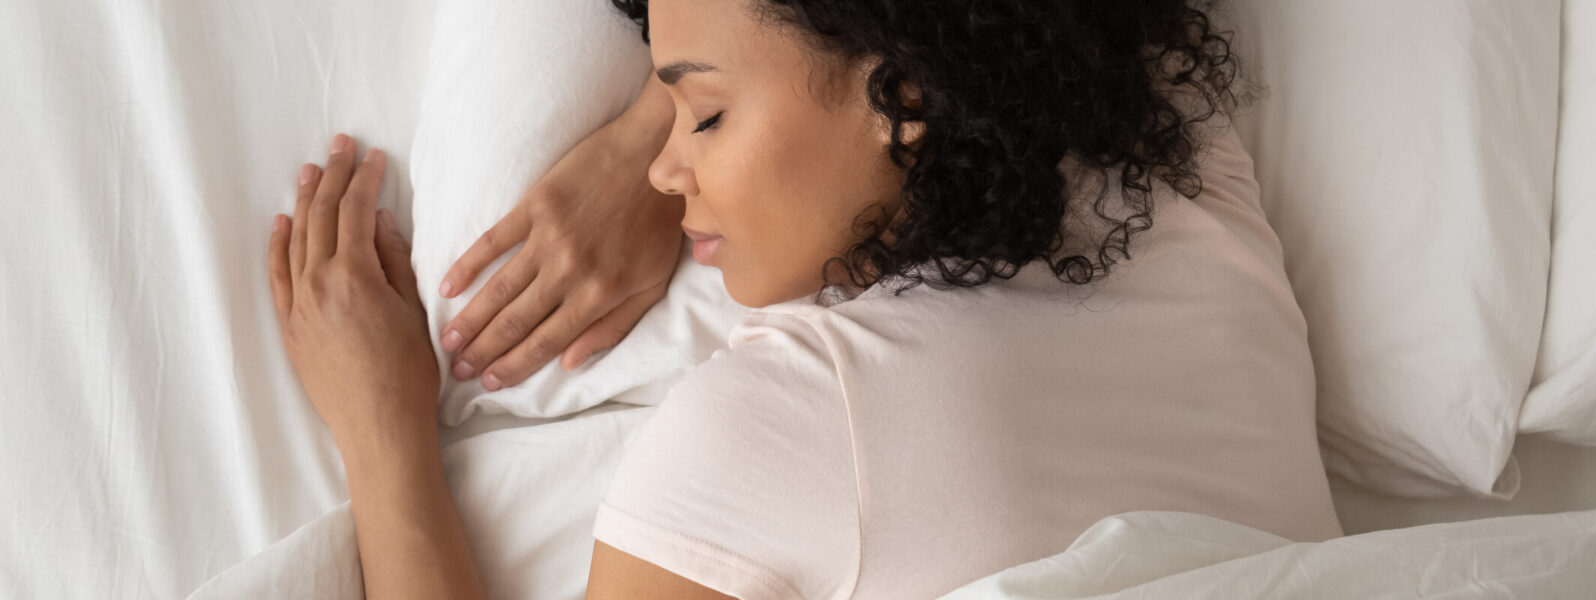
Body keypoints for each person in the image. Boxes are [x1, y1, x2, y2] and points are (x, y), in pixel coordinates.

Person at [264, 0, 1342, 597]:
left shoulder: (793, 418)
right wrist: (689, 116)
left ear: (905, 93)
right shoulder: (1182, 159)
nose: (660, 171)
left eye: (706, 116)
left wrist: (383, 431)